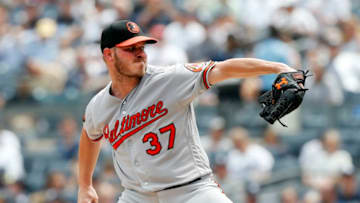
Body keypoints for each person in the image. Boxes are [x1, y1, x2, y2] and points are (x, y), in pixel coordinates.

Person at [77, 20, 296, 203]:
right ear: (108, 54)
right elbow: (89, 134)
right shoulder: (98, 105)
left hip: (191, 191)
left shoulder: (169, 79)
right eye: (130, 49)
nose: (140, 54)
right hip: (138, 197)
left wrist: (278, 68)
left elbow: (222, 68)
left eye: (142, 47)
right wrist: (85, 185)